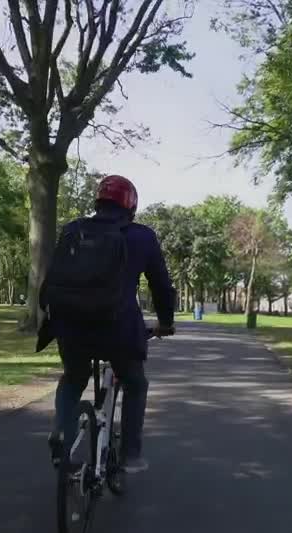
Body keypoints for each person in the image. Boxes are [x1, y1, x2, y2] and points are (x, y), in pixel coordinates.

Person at [40, 174, 176, 474]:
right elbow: (161, 287)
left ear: (98, 201)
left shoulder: (73, 230)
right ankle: (130, 454)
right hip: (119, 329)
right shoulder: (142, 236)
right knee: (135, 383)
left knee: (73, 377)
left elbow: (54, 277)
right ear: (131, 206)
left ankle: (62, 432)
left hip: (70, 326)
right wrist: (165, 322)